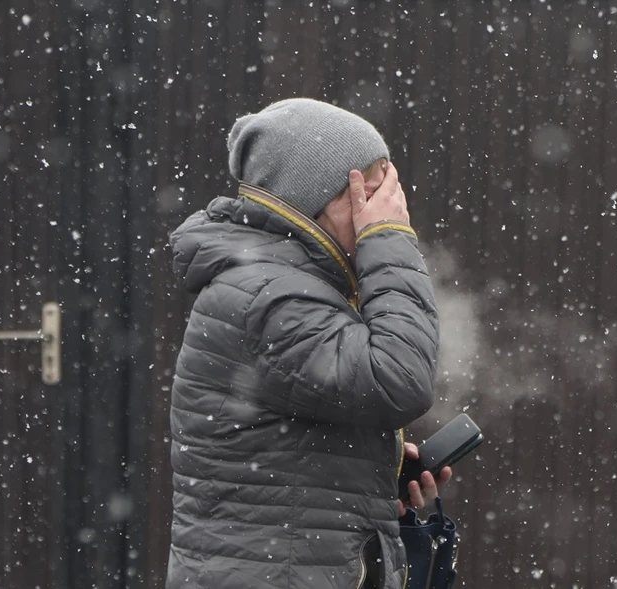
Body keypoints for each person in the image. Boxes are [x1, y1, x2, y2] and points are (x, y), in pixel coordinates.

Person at [166, 98, 449, 589]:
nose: (390, 208)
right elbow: (400, 379)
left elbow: (287, 451)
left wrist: (373, 472)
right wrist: (389, 239)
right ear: (311, 203)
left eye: (390, 189)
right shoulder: (269, 297)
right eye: (371, 193)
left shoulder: (289, 286)